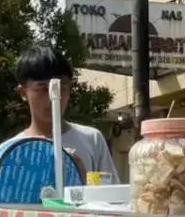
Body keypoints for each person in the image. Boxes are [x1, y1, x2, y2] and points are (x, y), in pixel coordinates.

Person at [10, 45, 119, 177]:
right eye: (42, 89)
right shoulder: (12, 151)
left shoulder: (92, 140)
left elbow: (111, 194)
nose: (52, 98)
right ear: (23, 92)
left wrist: (81, 179)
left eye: (61, 88)